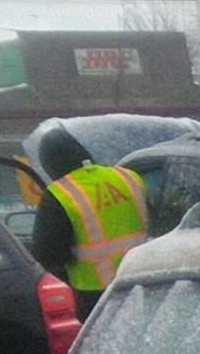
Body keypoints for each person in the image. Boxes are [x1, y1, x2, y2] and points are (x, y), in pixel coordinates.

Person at [30, 127, 149, 315]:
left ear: (50, 164)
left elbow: (49, 253)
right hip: (147, 280)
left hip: (97, 294)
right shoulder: (128, 176)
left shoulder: (59, 194)